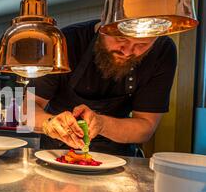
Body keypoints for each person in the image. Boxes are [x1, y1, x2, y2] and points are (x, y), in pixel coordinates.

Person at [30, 20, 177, 156]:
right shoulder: (65, 40)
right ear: (103, 25)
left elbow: (146, 127)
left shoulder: (162, 51)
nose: (127, 52)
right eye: (121, 39)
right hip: (56, 154)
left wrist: (102, 124)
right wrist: (49, 124)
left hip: (118, 160)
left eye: (142, 44)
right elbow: (25, 110)